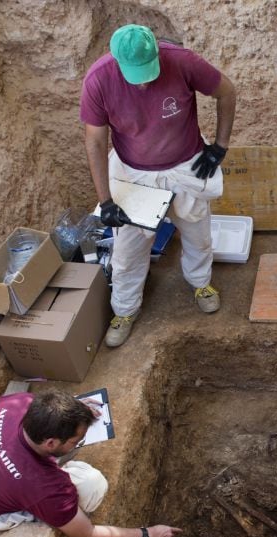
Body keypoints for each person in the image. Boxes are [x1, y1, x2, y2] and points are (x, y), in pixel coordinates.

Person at [80, 24, 237, 347]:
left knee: (197, 232)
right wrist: (106, 200)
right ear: (118, 62)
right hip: (133, 172)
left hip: (185, 164)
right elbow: (95, 142)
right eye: (137, 74)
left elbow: (227, 91)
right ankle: (124, 309)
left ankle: (201, 283)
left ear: (157, 52)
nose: (146, 81)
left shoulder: (181, 61)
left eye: (150, 71)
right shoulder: (99, 80)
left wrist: (220, 146)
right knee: (128, 249)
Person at [0, 389, 181, 537]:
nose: (79, 443)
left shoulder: (18, 404)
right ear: (50, 443)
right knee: (91, 484)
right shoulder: (43, 486)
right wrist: (148, 534)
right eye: (75, 441)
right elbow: (88, 535)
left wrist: (75, 409)